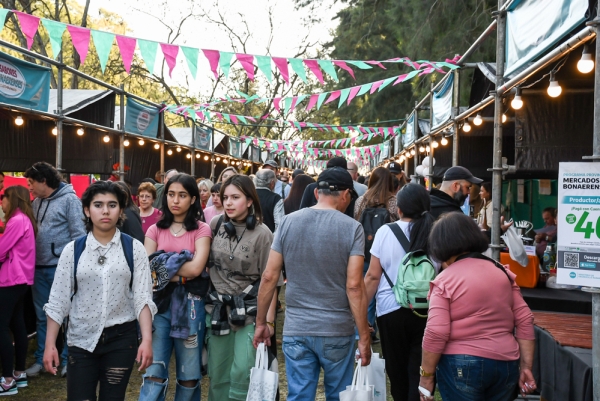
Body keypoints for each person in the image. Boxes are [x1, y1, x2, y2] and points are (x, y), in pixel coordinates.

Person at [253, 167, 371, 401]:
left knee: (299, 396)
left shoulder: (287, 222)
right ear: (346, 194)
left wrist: (260, 323)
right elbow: (355, 286)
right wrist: (364, 337)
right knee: (339, 395)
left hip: (297, 327)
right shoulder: (352, 228)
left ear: (317, 193)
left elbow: (269, 277)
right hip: (336, 328)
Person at [43, 181, 156, 400]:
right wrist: (50, 345)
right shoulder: (72, 250)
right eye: (98, 204)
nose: (105, 210)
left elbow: (143, 298)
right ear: (87, 210)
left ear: (121, 210)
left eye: (112, 205)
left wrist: (147, 340)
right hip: (80, 339)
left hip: (122, 339)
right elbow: (58, 301)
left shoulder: (134, 248)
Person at [419, 212, 536, 401]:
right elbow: (525, 319)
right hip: (506, 364)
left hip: (461, 364)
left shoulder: (443, 281)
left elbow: (436, 332)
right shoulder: (502, 272)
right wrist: (526, 367)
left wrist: (426, 377)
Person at [139, 174, 212, 401]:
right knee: (154, 372)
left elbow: (196, 269)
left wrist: (164, 265)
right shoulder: (155, 230)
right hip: (158, 307)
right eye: (171, 194)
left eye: (182, 195)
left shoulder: (202, 229)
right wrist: (180, 265)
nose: (175, 200)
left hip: (191, 306)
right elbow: (147, 271)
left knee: (189, 374)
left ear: (192, 199)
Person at [205, 175, 276, 400]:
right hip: (218, 311)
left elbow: (272, 281)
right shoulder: (216, 225)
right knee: (217, 374)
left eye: (235, 197)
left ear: (249, 201)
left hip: (250, 311)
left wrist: (269, 322)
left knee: (242, 372)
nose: (228, 202)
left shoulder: (263, 234)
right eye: (225, 197)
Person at [363, 184, 436, 401]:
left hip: (390, 310)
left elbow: (373, 277)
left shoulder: (385, 232)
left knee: (396, 371)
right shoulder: (437, 233)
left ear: (399, 209)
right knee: (421, 368)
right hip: (427, 311)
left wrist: (360, 316)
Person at [24, 162, 86, 378]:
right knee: (43, 316)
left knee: (69, 316)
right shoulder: (37, 202)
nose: (28, 187)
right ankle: (43, 359)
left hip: (61, 269)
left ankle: (70, 360)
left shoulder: (70, 200)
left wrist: (75, 267)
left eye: (31, 182)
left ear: (44, 181)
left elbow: (79, 235)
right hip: (38, 268)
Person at [0, 186, 37, 395]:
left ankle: (7, 380)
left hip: (11, 279)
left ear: (11, 199)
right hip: (21, 279)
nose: (1, 202)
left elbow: (1, 250)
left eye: (2, 198)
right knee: (17, 324)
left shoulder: (16, 220)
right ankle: (19, 373)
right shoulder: (25, 220)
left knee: (2, 327)